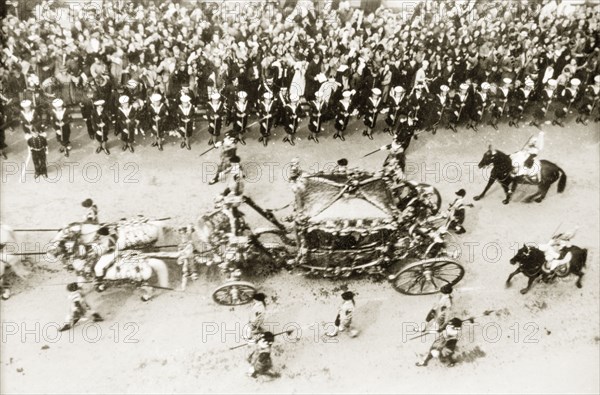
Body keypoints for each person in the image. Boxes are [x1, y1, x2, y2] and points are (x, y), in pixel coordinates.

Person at [177, 225, 197, 291]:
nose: (182, 234)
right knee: (185, 271)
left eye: (183, 232)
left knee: (190, 260)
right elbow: (179, 249)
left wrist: (183, 253)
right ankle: (183, 287)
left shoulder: (189, 240)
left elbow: (190, 249)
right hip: (185, 256)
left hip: (189, 255)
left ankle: (193, 274)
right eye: (180, 233)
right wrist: (181, 252)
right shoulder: (181, 242)